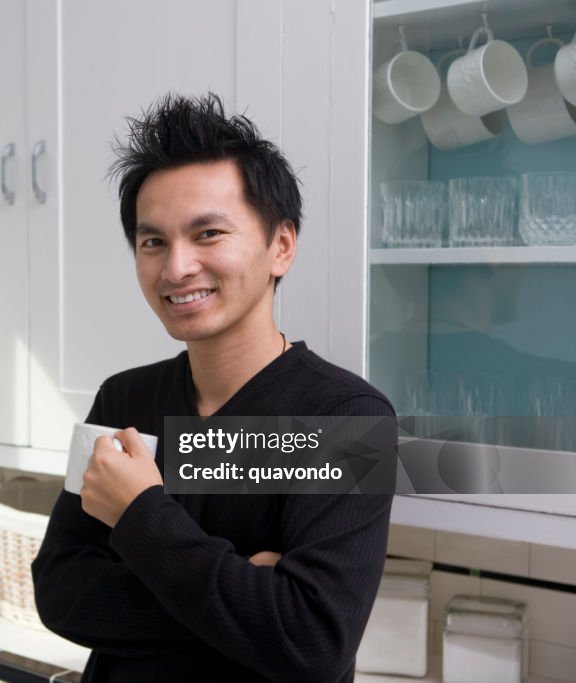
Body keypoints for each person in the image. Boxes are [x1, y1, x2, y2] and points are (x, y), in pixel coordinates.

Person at [31, 93, 397, 682]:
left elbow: (310, 642)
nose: (175, 268)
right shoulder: (124, 401)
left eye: (207, 234)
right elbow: (59, 590)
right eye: (153, 242)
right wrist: (250, 595)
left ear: (281, 246)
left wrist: (139, 513)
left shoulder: (344, 420)